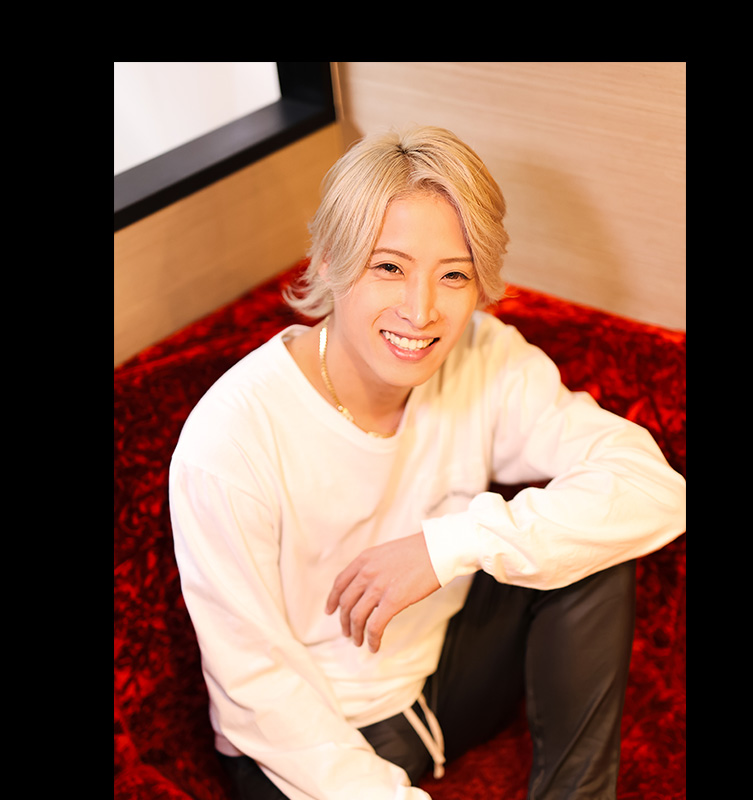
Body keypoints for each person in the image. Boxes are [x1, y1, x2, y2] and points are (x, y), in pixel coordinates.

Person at [169, 126, 686, 800]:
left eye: (454, 275)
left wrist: (445, 547)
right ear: (328, 261)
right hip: (305, 747)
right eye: (389, 267)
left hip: (442, 682)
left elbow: (655, 489)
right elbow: (256, 688)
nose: (421, 311)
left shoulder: (483, 355)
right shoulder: (229, 439)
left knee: (593, 545)